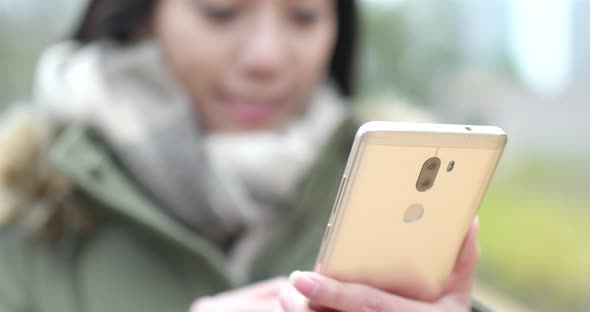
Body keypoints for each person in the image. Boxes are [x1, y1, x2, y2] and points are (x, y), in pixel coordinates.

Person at [0, 0, 488, 311]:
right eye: (221, 11)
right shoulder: (26, 208)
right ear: (141, 16)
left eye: (303, 16)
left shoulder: (389, 190)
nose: (266, 57)